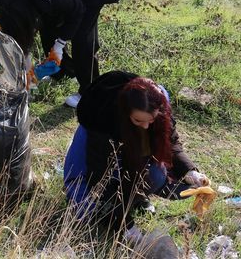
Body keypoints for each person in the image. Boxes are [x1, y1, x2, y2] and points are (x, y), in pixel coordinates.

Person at [63, 71, 209, 244]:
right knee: (86, 210)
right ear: (126, 113)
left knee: (156, 176)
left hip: (127, 147)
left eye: (151, 120)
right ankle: (114, 211)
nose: (146, 126)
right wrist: (124, 225)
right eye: (139, 121)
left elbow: (172, 143)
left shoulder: (156, 104)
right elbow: (100, 177)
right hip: (92, 159)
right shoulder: (102, 121)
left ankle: (135, 200)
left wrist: (189, 172)